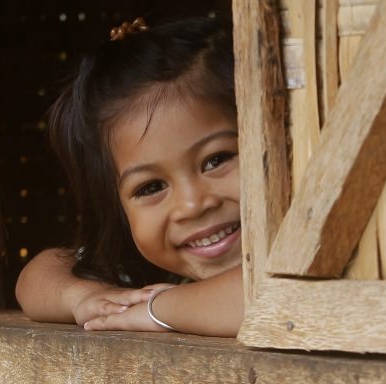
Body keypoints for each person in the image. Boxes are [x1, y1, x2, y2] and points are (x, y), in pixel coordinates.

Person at [15, 17, 244, 337]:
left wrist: (160, 309)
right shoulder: (143, 276)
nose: (193, 205)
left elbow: (267, 298)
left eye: (216, 160)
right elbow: (38, 273)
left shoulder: (301, 258)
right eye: (151, 187)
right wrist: (82, 297)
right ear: (118, 207)